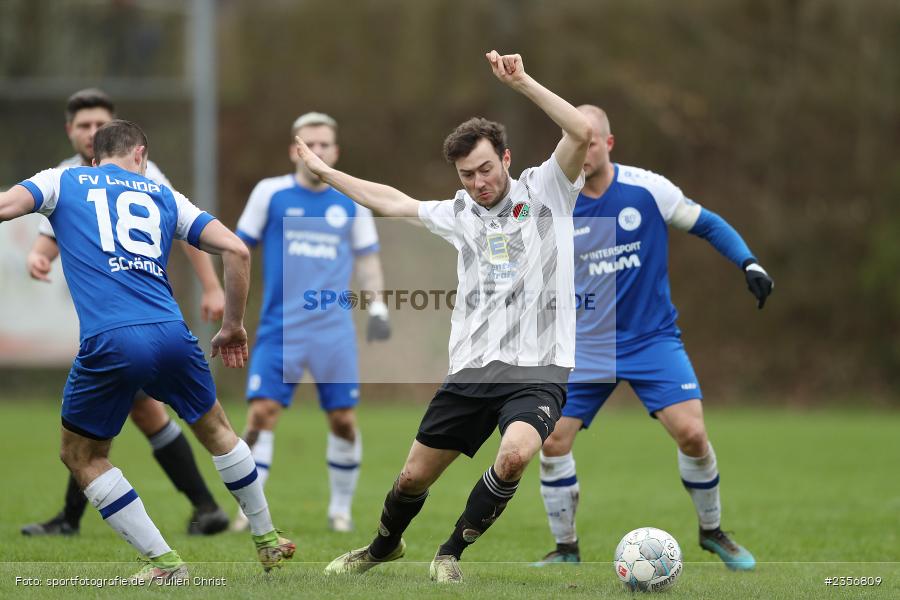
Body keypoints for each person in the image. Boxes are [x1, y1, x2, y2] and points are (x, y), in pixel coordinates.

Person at [304, 51, 592, 583]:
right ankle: (383, 546)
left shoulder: (546, 188)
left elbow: (581, 131)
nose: (479, 182)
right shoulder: (458, 212)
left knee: (514, 456)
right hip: (471, 371)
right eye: (467, 175)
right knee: (412, 477)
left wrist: (522, 82)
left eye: (486, 168)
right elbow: (390, 202)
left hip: (539, 368)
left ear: (506, 158)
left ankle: (450, 553)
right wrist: (326, 172)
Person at [0, 120, 294, 582]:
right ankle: (267, 537)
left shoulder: (61, 179)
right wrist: (233, 326)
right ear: (140, 154)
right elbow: (237, 249)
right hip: (172, 333)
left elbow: (5, 207)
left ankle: (165, 565)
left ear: (94, 157)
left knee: (83, 456)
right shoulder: (162, 193)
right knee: (217, 429)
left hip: (111, 339)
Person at [534, 105, 773, 570]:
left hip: (653, 340)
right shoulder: (555, 203)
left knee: (693, 434)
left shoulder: (647, 189)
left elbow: (706, 223)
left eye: (591, 141)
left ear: (609, 143)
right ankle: (566, 549)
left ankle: (712, 532)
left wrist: (748, 261)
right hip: (588, 346)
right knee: (552, 441)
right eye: (575, 142)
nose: (583, 151)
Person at [20, 88, 229, 537]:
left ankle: (82, 520)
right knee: (133, 417)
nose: (92, 132)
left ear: (115, 131)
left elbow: (189, 228)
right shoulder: (63, 175)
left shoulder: (143, 171)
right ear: (71, 132)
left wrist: (212, 285)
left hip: (132, 317)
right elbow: (47, 232)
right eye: (83, 126)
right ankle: (205, 507)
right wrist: (40, 256)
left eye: (100, 124)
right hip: (113, 320)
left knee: (98, 428)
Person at [231, 112, 389, 534]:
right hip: (278, 328)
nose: (317, 152)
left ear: (335, 152)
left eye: (325, 145)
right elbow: (237, 249)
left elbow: (368, 259)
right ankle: (249, 510)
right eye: (310, 145)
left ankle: (340, 509)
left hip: (332, 330)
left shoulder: (350, 200)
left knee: (343, 420)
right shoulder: (271, 194)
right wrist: (231, 306)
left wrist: (377, 309)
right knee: (261, 415)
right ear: (294, 151)